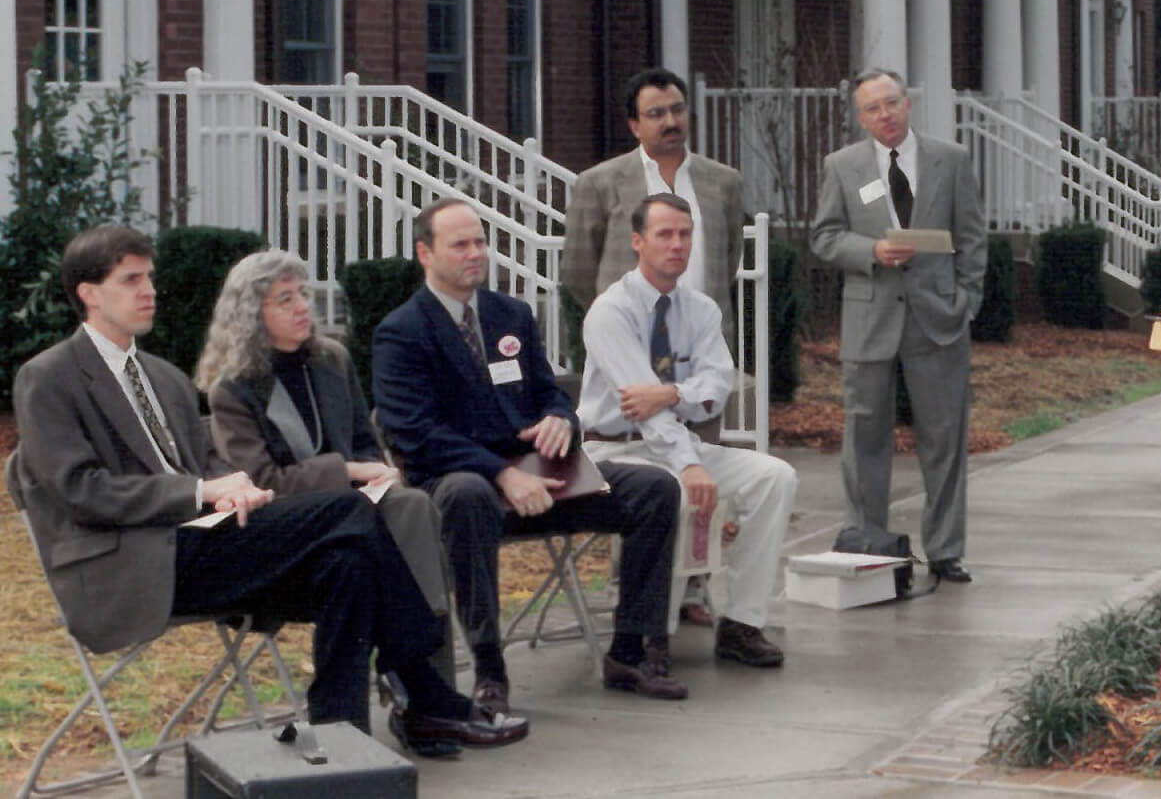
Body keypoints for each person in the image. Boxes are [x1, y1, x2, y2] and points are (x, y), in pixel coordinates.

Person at [12, 226, 526, 756]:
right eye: (131, 280)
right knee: (347, 511)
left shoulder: (163, 376)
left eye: (150, 278)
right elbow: (81, 490)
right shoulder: (48, 378)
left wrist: (231, 488)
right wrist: (199, 492)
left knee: (347, 564)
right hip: (133, 563)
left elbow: (206, 461)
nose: (150, 291)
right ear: (89, 293)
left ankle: (342, 744)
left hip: (207, 544)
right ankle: (427, 690)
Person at [372, 198, 686, 713]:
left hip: (541, 476)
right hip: (461, 483)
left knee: (653, 489)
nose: (476, 253)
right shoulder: (401, 332)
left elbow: (550, 392)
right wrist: (499, 474)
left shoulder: (509, 314)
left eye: (480, 241)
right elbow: (415, 433)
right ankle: (490, 670)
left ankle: (630, 651)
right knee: (467, 495)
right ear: (425, 253)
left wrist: (562, 420)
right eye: (460, 244)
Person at [197, 249, 456, 684]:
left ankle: (425, 680)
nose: (303, 307)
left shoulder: (331, 359)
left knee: (410, 504)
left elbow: (363, 442)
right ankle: (425, 683)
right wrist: (351, 472)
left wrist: (379, 471)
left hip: (358, 511)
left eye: (303, 294)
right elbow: (261, 482)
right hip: (295, 530)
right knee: (409, 516)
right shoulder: (233, 389)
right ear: (250, 315)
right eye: (285, 299)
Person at [577, 192, 797, 668]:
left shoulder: (700, 310)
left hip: (676, 440)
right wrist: (690, 459)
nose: (677, 245)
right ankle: (655, 635)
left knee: (774, 477)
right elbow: (641, 408)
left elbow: (718, 386)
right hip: (612, 453)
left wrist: (673, 394)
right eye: (664, 234)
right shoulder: (610, 312)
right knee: (674, 486)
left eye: (684, 234)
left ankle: (742, 623)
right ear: (638, 242)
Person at [809, 69, 987, 583]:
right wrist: (871, 251)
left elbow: (973, 236)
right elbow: (824, 237)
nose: (884, 115)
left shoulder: (950, 161)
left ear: (907, 104)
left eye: (891, 103)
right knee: (864, 435)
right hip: (871, 318)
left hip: (939, 320)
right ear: (860, 117)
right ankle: (866, 538)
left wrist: (967, 301)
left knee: (945, 437)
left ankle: (947, 549)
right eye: (872, 109)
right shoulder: (842, 167)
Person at [561, 68, 745, 347]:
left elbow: (728, 260)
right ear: (635, 126)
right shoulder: (599, 183)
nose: (671, 121)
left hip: (704, 345)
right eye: (656, 114)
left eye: (677, 110)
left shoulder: (723, 182)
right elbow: (577, 271)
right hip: (627, 344)